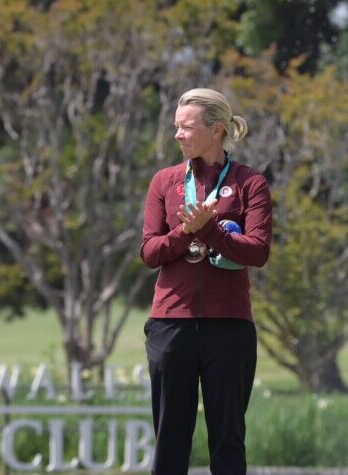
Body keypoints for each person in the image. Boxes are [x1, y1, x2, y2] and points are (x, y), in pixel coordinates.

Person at [140, 88, 272, 474]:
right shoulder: (164, 181)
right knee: (170, 438)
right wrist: (187, 231)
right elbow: (150, 252)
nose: (177, 135)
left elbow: (257, 252)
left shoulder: (250, 183)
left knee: (228, 440)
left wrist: (210, 230)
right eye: (176, 127)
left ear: (216, 130)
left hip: (230, 327)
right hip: (170, 325)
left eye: (186, 127)